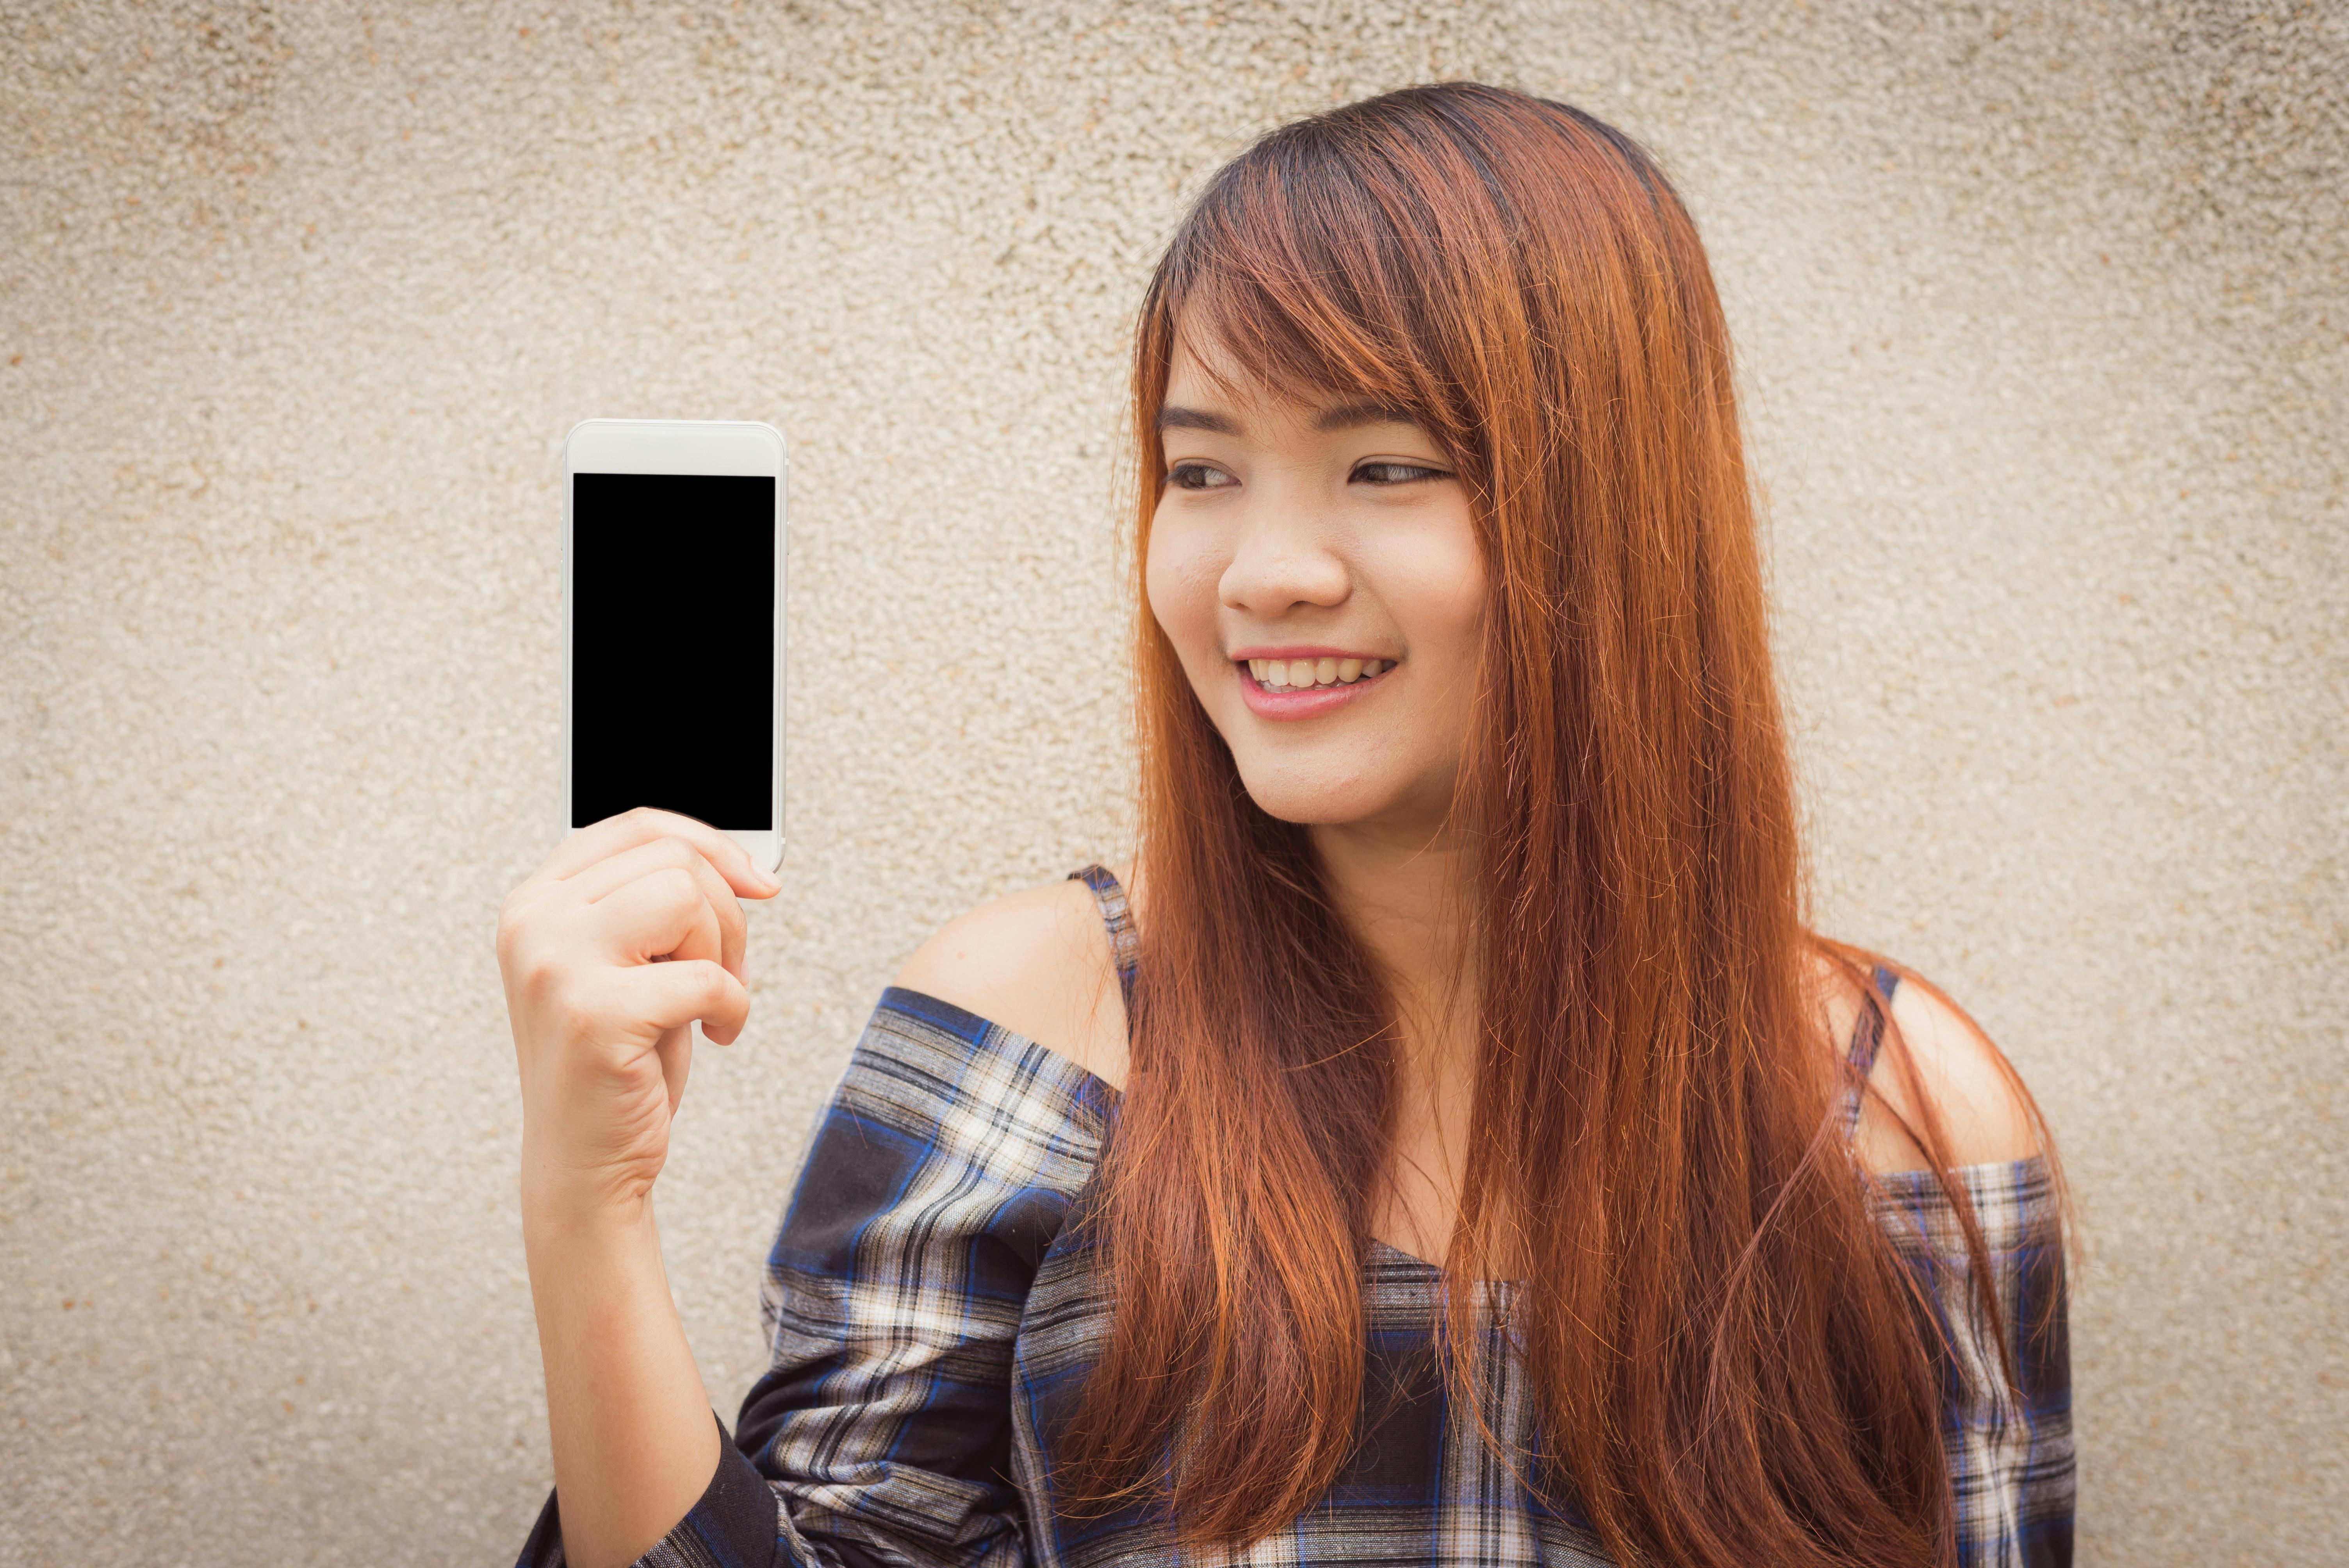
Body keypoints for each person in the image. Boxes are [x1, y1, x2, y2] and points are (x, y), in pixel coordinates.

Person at [498, 82, 2073, 1568]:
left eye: (1382, 463)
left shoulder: (1898, 1114)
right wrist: (587, 1203)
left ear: (1613, 509)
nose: (1263, 571)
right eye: (1201, 468)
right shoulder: (1033, 1032)